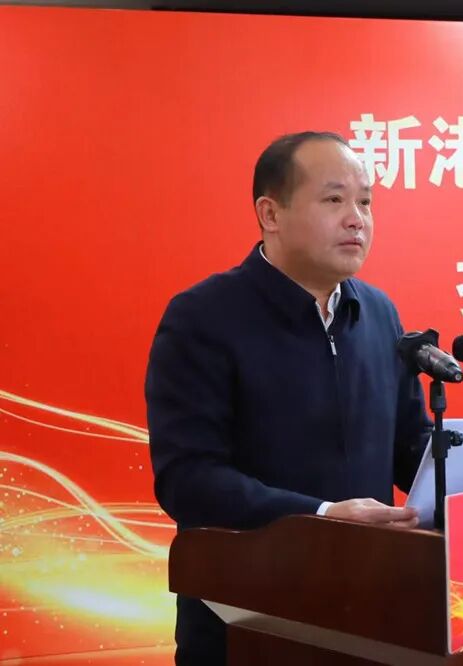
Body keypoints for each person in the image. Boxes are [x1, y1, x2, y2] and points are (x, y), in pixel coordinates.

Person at [144, 131, 431, 664]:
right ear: (270, 214)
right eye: (334, 199)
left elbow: (410, 447)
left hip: (372, 618)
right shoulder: (202, 318)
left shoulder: (380, 313)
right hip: (247, 622)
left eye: (365, 202)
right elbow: (188, 480)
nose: (357, 219)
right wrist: (321, 516)